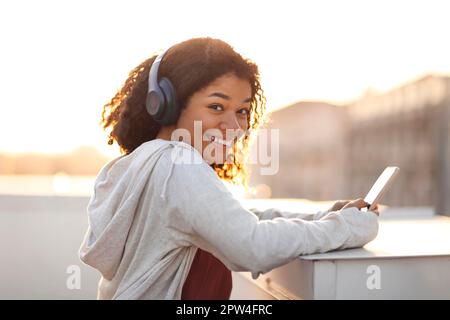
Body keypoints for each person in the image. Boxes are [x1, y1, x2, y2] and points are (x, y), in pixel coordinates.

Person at [79, 37, 379, 300]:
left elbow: (235, 218)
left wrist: (324, 217)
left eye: (242, 111)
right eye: (216, 107)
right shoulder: (176, 165)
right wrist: (348, 228)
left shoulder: (145, 162)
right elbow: (252, 245)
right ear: (167, 105)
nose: (234, 126)